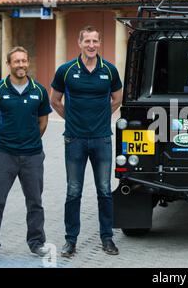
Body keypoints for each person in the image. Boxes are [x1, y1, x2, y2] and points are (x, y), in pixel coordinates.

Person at [51, 26, 123, 257]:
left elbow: (117, 98)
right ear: (79, 43)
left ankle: (107, 238)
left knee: (104, 190)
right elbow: (55, 100)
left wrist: (101, 118)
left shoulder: (109, 70)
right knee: (74, 191)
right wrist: (72, 119)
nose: (91, 45)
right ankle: (70, 240)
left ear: (99, 43)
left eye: (95, 41)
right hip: (74, 139)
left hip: (102, 139)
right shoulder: (66, 70)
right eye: (87, 41)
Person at [0, 46, 52, 262]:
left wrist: (29, 142)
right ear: (9, 64)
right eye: (16, 61)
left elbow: (43, 122)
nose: (21, 65)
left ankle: (37, 243)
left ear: (27, 62)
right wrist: (1, 145)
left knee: (35, 202)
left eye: (24, 60)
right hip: (4, 156)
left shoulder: (38, 91)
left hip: (32, 156)